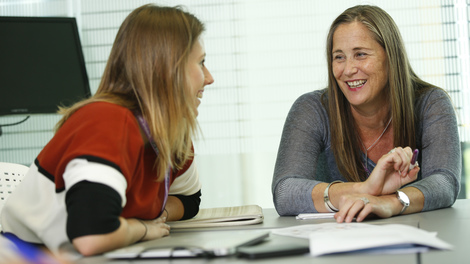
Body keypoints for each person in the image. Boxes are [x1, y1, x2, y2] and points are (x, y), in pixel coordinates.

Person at [0, 4, 214, 258]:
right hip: (24, 256)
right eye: (201, 63)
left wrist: (157, 216)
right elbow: (93, 236)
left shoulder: (171, 134)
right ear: (167, 71)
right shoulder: (107, 121)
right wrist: (141, 228)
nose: (209, 78)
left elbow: (189, 201)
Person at [272, 5, 461, 223]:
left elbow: (445, 181)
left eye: (360, 54)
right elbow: (285, 191)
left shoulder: (431, 103)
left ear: (390, 57)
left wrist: (391, 202)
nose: (348, 69)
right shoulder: (313, 109)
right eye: (339, 57)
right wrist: (363, 189)